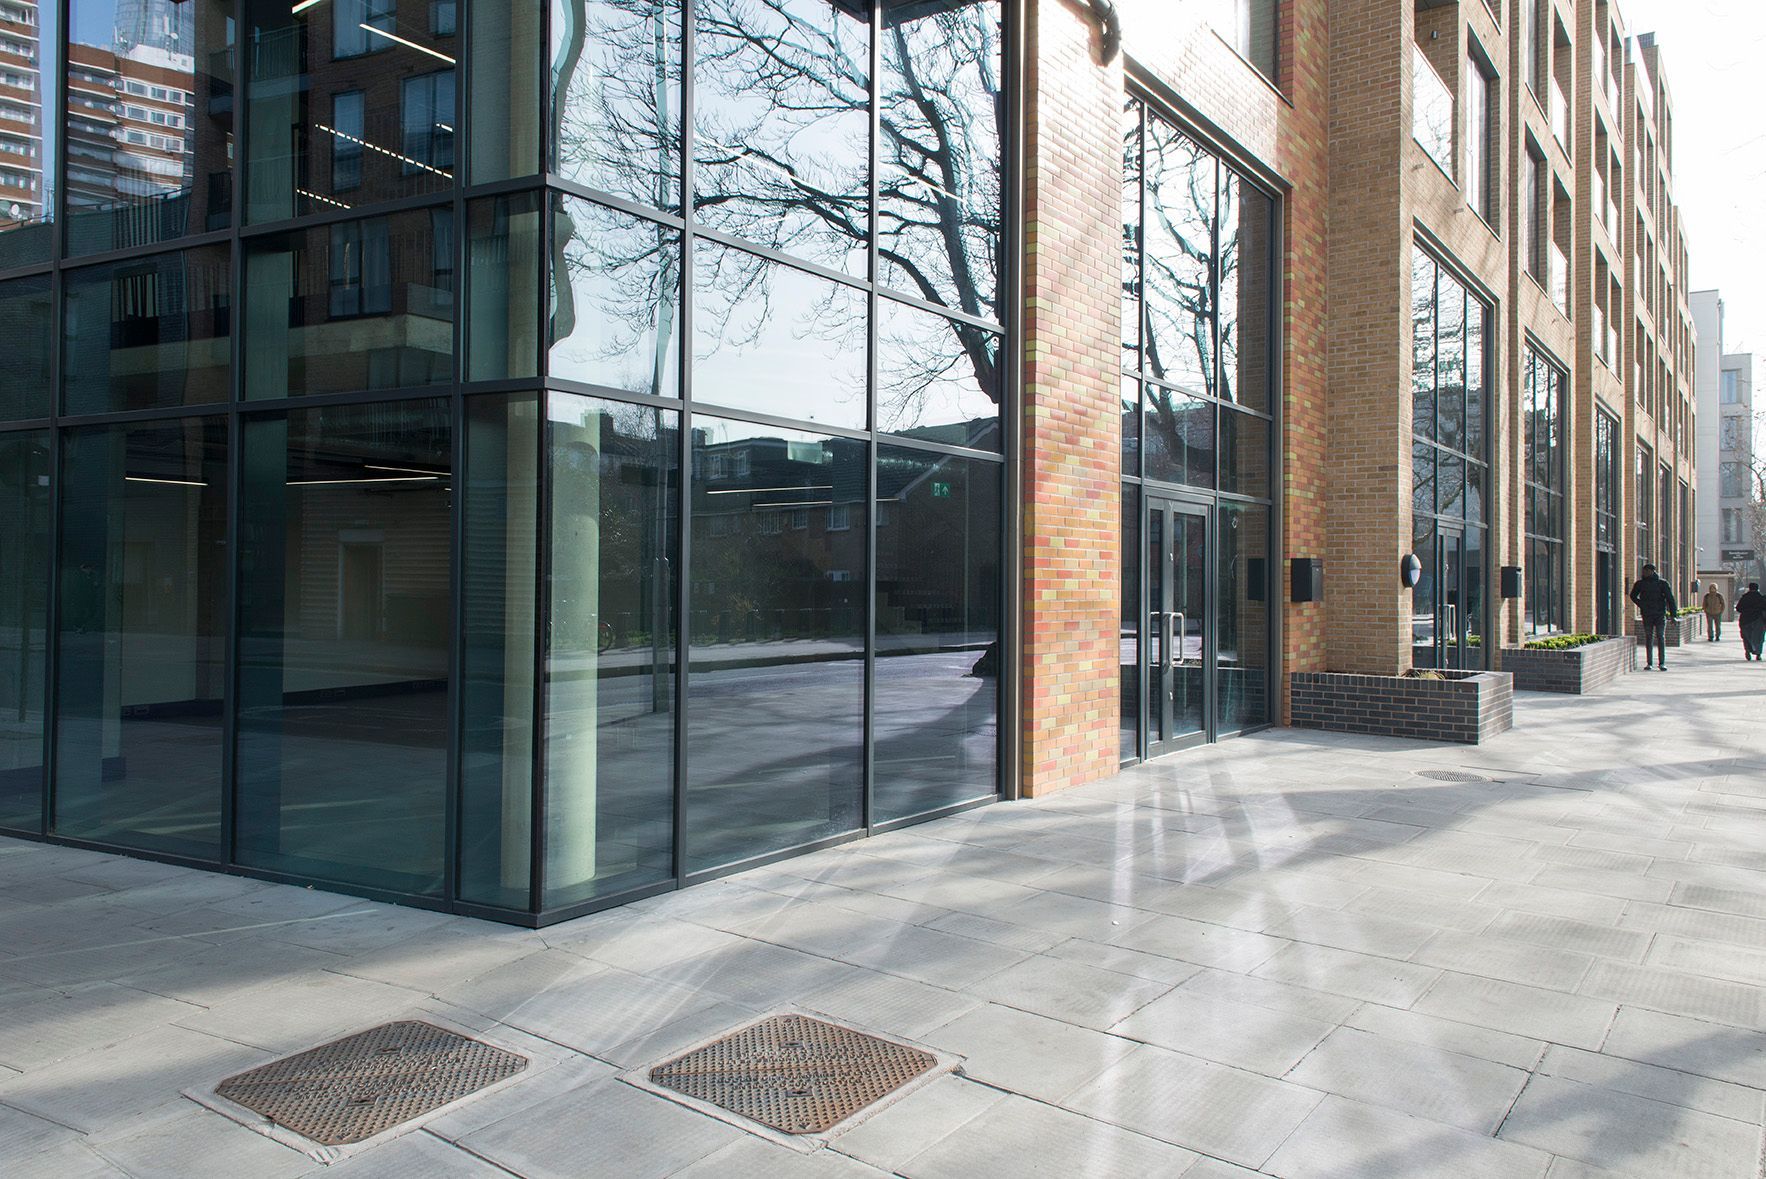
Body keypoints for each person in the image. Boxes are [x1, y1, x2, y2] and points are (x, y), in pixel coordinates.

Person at [1629, 563, 1678, 670]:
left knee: (1660, 636)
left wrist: (1673, 615)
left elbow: (1670, 599)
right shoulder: (1640, 584)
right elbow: (1633, 595)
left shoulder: (1662, 583)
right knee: (1649, 637)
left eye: (1646, 571)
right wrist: (1641, 604)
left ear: (1652, 571)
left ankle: (1662, 663)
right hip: (1647, 614)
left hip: (1660, 614)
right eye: (1643, 571)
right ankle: (1649, 662)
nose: (1644, 573)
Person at [1739, 582, 1766, 662]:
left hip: (1745, 620)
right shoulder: (1761, 598)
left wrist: (1746, 611)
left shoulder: (1744, 598)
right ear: (1757, 588)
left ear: (1749, 588)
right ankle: (1758, 653)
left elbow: (1738, 608)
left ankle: (1748, 650)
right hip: (1758, 620)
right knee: (1759, 637)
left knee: (1747, 637)